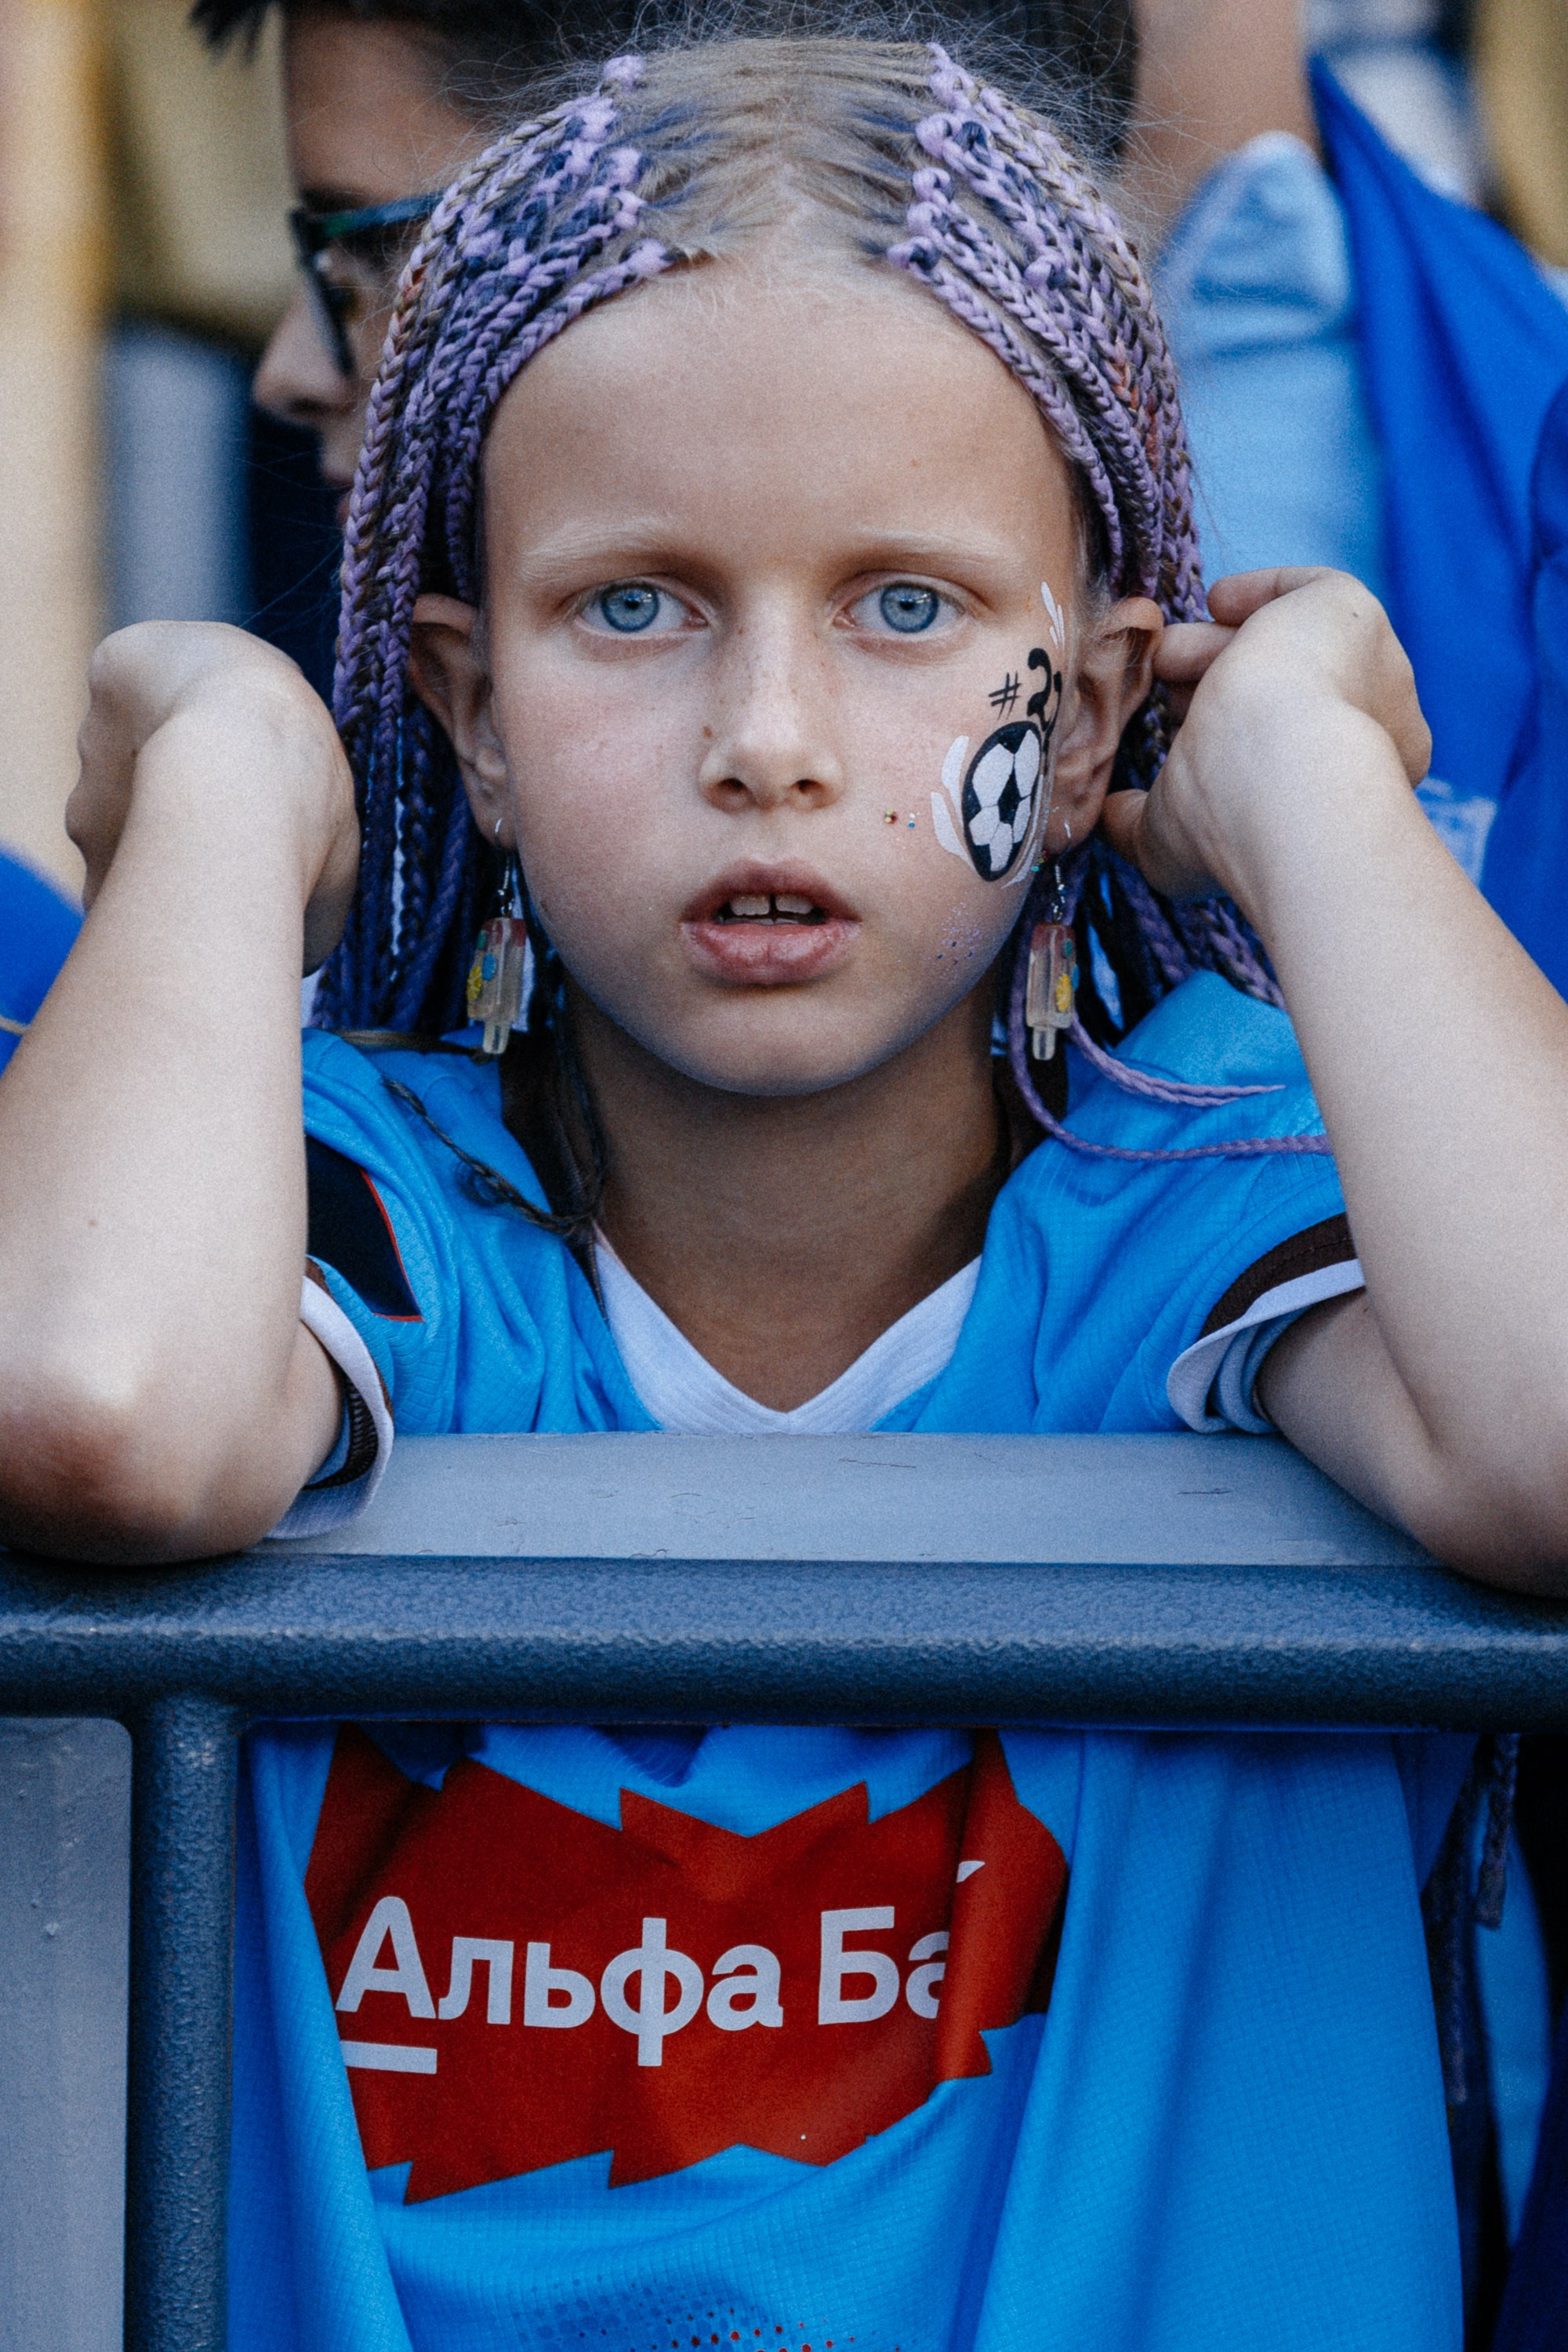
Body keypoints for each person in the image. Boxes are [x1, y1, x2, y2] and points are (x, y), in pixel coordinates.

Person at [8, 28, 1568, 2346]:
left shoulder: (1197, 1196)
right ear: (469, 719)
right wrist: (240, 773)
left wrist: (1311, 778)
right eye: (632, 607)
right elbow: (95, 1395)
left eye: (908, 610)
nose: (769, 735)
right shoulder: (381, 1202)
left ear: (1099, 723)